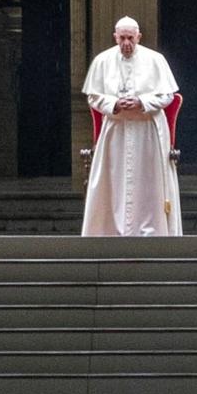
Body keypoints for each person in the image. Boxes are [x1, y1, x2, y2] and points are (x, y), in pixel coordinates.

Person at [81, 16, 182, 236]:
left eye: (131, 38)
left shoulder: (156, 60)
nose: (127, 43)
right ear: (115, 37)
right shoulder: (102, 61)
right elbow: (93, 98)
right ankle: (110, 231)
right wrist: (114, 104)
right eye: (122, 38)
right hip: (115, 131)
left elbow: (167, 96)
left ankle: (151, 232)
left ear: (139, 37)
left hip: (148, 132)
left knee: (148, 186)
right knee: (114, 184)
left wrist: (142, 102)